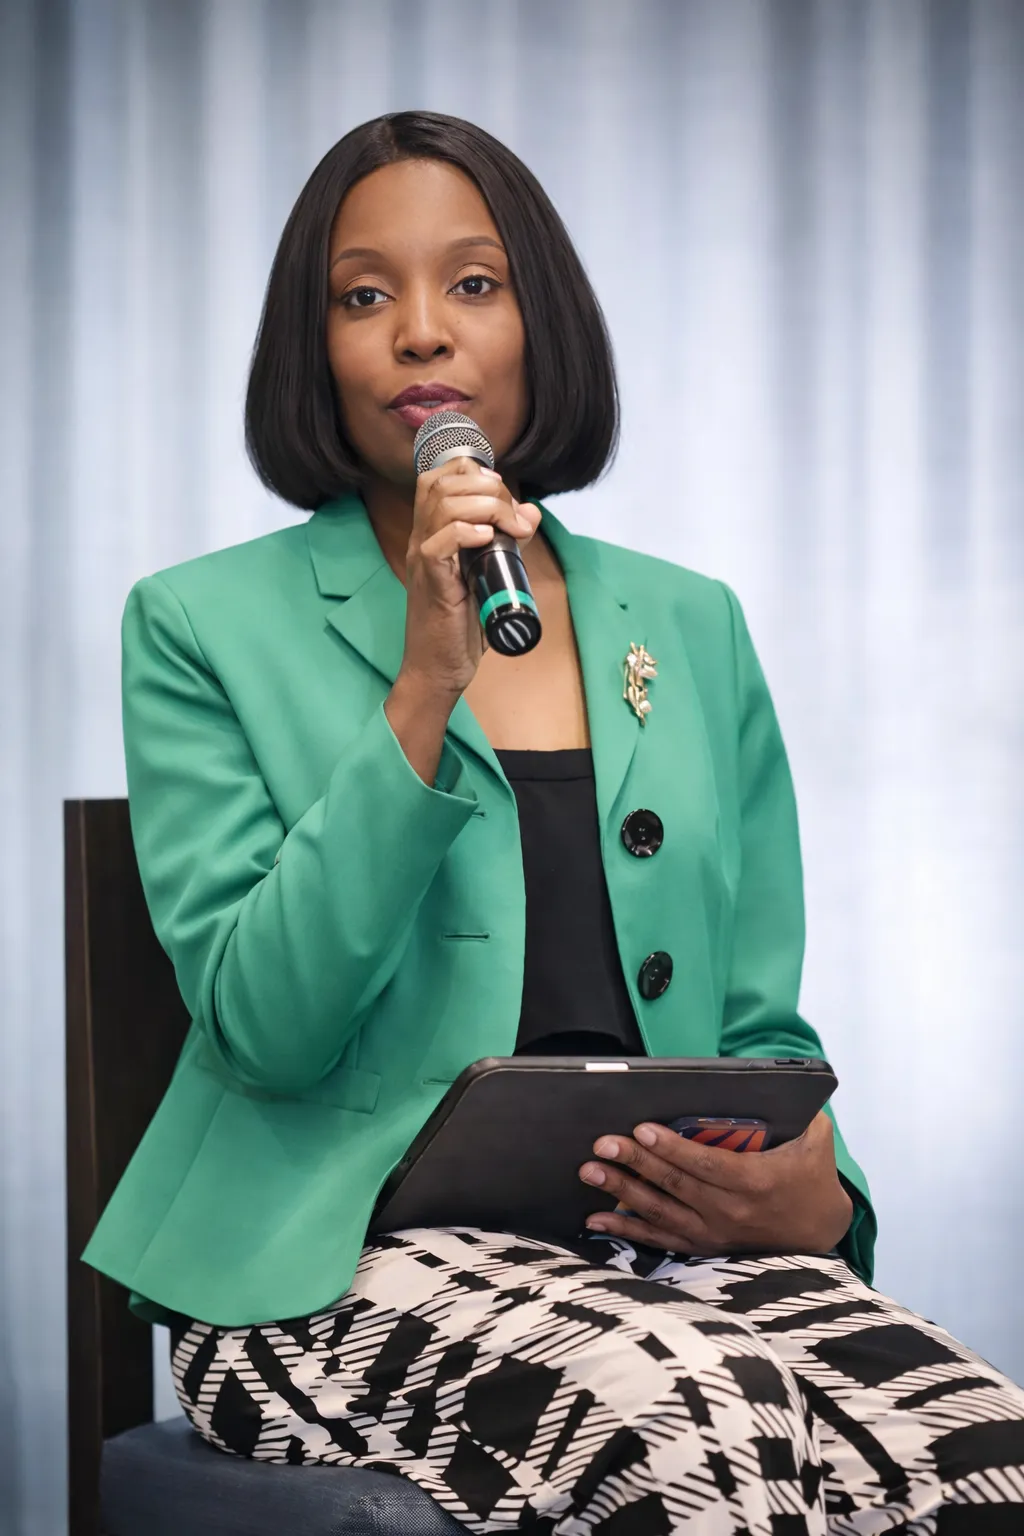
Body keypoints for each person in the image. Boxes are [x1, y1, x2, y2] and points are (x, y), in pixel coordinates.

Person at [83, 111, 1024, 1534]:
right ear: (315, 349)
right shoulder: (199, 625)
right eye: (362, 296)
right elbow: (263, 1024)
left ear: (543, 324)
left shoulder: (690, 626)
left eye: (473, 284)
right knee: (700, 1414)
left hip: (646, 1260)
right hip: (329, 1270)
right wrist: (423, 689)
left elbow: (762, 1036)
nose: (420, 335)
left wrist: (810, 1201)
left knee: (979, 1453)